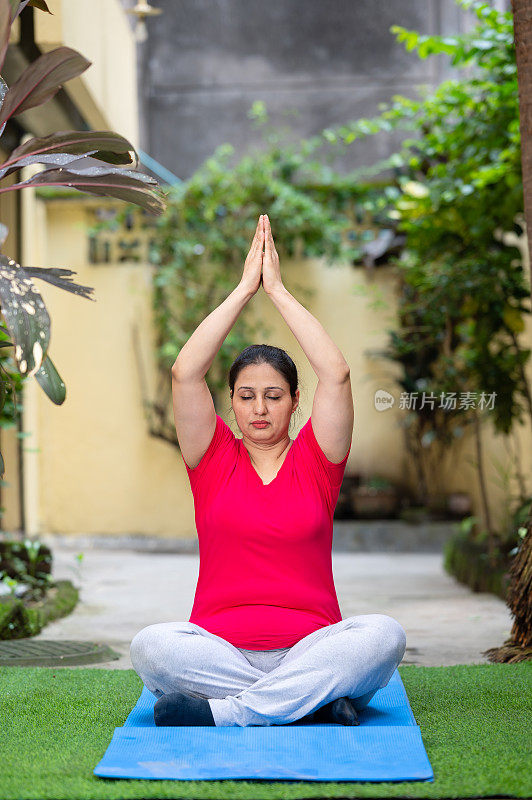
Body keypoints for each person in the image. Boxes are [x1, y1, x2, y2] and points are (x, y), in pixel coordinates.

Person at [130, 213, 407, 727]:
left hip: (313, 648)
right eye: (247, 396)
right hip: (219, 654)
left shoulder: (317, 462)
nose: (260, 409)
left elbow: (337, 373)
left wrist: (276, 290)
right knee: (151, 647)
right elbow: (185, 372)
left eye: (273, 396)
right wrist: (243, 290)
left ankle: (231, 713)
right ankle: (309, 703)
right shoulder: (210, 459)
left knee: (384, 635)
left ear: (294, 402)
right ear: (230, 405)